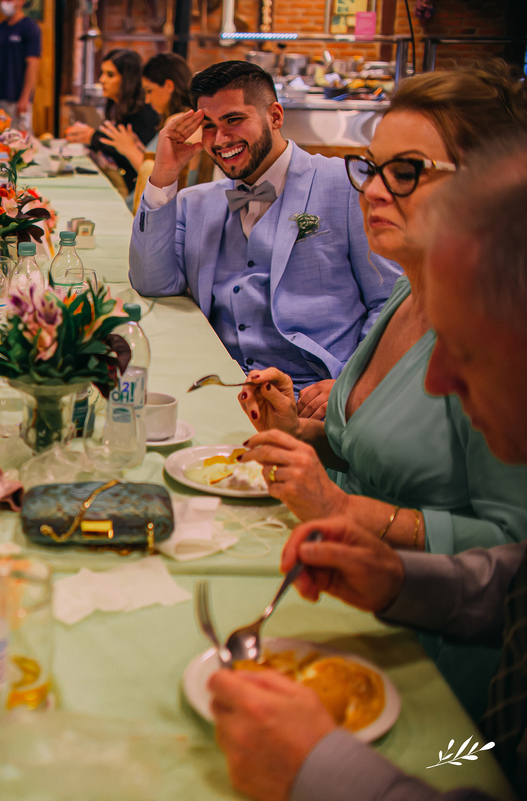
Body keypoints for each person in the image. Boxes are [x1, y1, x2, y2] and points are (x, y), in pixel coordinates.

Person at [210, 134, 527, 801]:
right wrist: (397, 579)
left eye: (468, 349)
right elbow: (517, 578)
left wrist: (319, 772)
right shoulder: (407, 298)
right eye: (373, 169)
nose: (435, 379)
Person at [129, 60, 400, 400]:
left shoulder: (345, 186)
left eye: (234, 120)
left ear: (275, 116)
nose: (221, 138)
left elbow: (390, 302)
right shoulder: (193, 203)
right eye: (209, 125)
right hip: (219, 387)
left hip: (315, 394)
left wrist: (353, 383)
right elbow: (151, 283)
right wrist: (164, 175)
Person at [64, 49, 162, 191]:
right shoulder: (115, 106)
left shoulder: (143, 114)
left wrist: (93, 137)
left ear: (128, 79)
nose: (102, 80)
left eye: (110, 75)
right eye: (102, 73)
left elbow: (130, 159)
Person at [0, 0, 41, 133]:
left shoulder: (30, 28)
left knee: (20, 141)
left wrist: (25, 97)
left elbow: (32, 65)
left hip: (17, 100)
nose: (5, 3)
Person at [141, 52, 194, 148]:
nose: (147, 100)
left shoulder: (178, 122)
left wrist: (129, 149)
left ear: (169, 86)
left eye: (149, 91)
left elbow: (163, 163)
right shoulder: (184, 118)